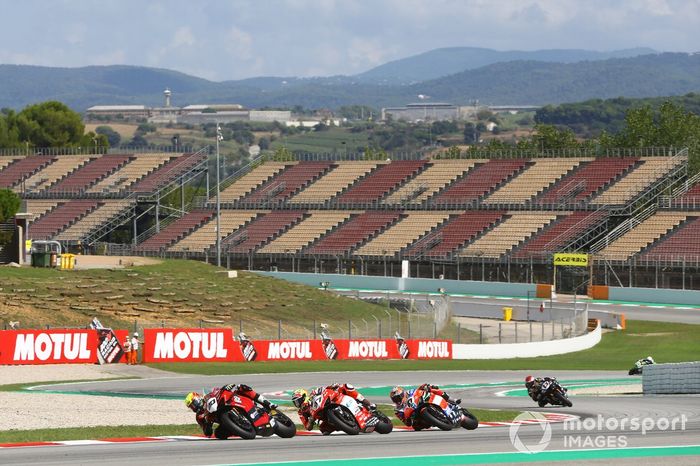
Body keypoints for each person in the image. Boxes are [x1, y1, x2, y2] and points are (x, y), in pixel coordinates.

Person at [185, 383, 275, 439]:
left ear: (198, 398)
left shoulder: (207, 397)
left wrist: (226, 387)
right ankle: (238, 430)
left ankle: (267, 403)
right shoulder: (199, 417)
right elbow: (207, 433)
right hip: (224, 422)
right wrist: (207, 424)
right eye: (191, 407)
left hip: (228, 405)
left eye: (194, 403)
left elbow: (217, 391)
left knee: (242, 387)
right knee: (218, 434)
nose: (194, 407)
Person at [292, 383, 375, 435]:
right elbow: (307, 427)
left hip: (331, 401)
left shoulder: (313, 394)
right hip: (326, 417)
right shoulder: (301, 412)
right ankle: (344, 425)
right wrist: (310, 421)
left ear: (304, 397)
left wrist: (332, 386)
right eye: (295, 403)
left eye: (298, 401)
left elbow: (324, 389)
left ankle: (368, 403)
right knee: (324, 430)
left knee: (346, 386)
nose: (297, 404)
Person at [390, 384, 461, 430]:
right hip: (417, 419)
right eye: (395, 399)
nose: (397, 400)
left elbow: (418, 390)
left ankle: (452, 400)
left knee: (433, 389)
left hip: (420, 404)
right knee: (416, 427)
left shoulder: (409, 392)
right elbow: (407, 424)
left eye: (398, 398)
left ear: (402, 394)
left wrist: (425, 386)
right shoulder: (398, 410)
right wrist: (408, 419)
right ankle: (435, 421)